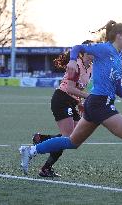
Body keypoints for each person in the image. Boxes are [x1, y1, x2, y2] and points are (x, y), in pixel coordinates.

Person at [19, 20, 122, 189]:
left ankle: (30, 151)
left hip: (96, 104)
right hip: (99, 103)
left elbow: (117, 86)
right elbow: (77, 48)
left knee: (72, 142)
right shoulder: (104, 48)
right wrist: (73, 60)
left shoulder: (119, 56)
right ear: (118, 36)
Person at [31, 46, 93, 177]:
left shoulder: (91, 68)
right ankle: (45, 165)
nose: (95, 52)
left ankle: (41, 140)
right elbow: (70, 89)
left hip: (71, 101)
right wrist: (88, 97)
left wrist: (79, 102)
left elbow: (78, 88)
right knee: (68, 138)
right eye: (91, 50)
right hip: (61, 99)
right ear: (83, 54)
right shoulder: (76, 65)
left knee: (75, 138)